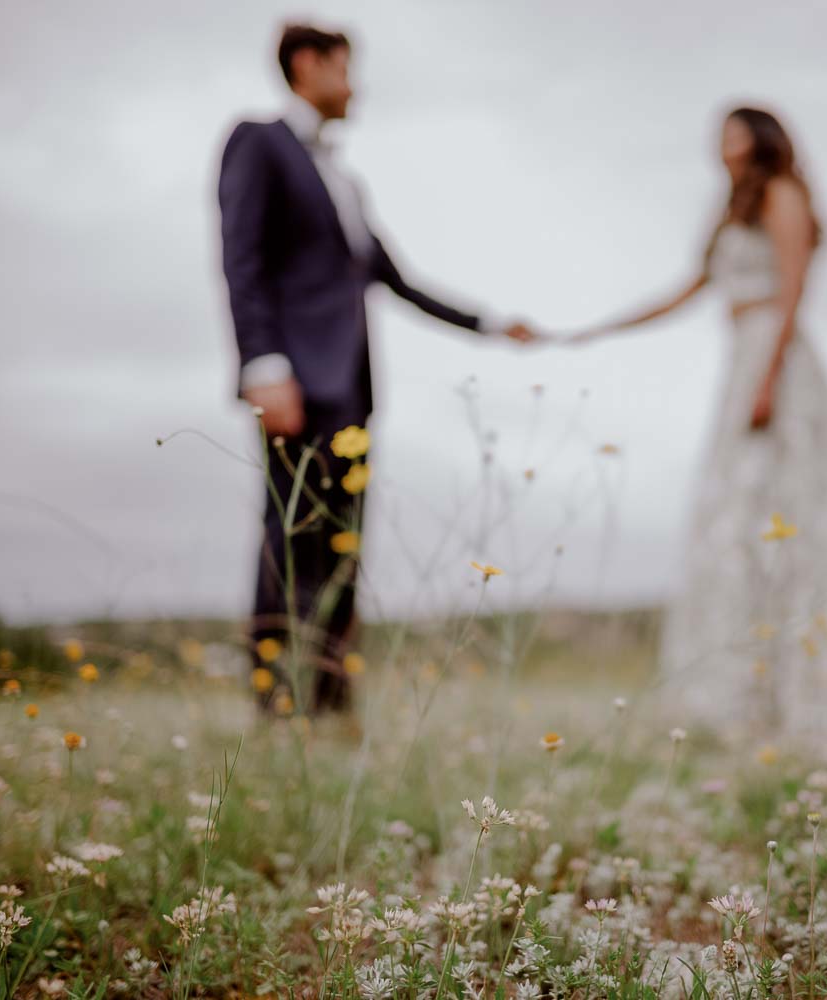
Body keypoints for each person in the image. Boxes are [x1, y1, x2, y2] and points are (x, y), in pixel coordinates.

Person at [567, 107, 827, 752]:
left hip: (778, 351)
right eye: (719, 135)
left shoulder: (782, 193)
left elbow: (796, 286)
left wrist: (770, 379)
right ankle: (754, 693)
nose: (723, 146)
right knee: (743, 515)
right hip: (741, 353)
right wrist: (602, 328)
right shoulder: (729, 210)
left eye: (736, 133)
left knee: (799, 505)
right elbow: (689, 289)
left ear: (764, 140)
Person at [217, 24, 537, 718]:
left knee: (342, 543)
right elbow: (240, 260)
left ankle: (331, 701)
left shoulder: (347, 180)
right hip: (292, 385)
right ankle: (271, 700)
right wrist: (262, 366)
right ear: (308, 65)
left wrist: (488, 324)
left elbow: (394, 278)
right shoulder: (259, 141)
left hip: (352, 391)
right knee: (287, 534)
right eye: (344, 68)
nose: (355, 84)